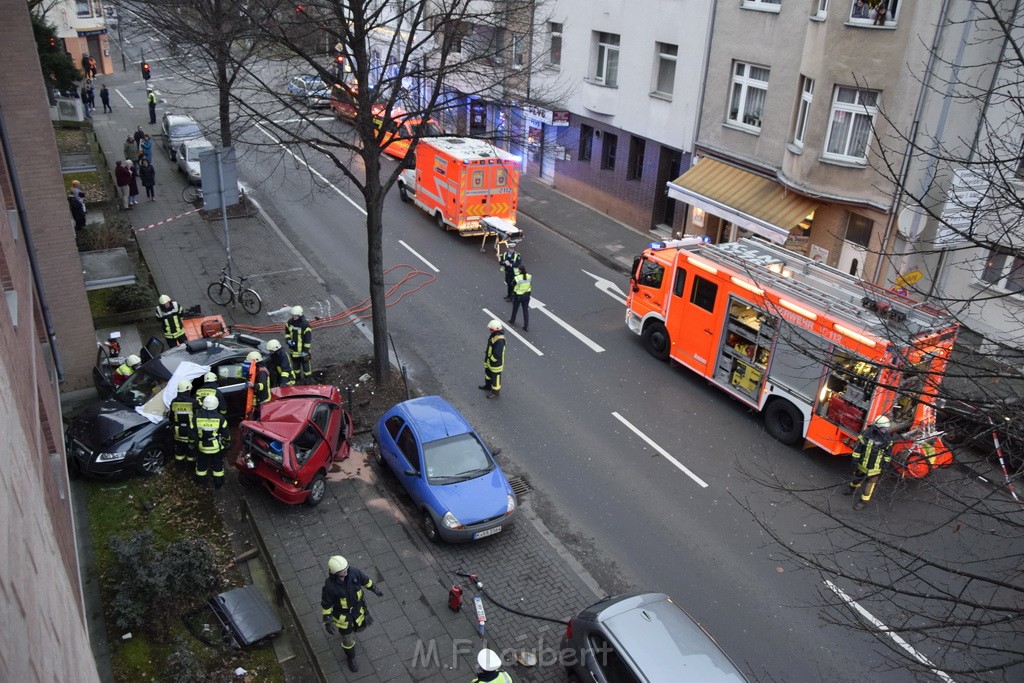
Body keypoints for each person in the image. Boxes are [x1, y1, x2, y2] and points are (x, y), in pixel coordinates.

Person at [320, 555, 383, 673]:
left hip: (358, 610)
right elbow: (326, 605)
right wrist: (327, 621)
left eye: (346, 568)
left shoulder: (353, 572)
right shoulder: (330, 587)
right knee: (347, 641)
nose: (345, 571)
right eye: (342, 571)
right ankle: (351, 658)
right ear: (335, 573)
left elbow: (365, 580)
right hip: (343, 617)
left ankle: (354, 629)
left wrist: (374, 588)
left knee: (360, 627)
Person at [846, 415, 894, 510]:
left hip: (875, 467)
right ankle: (852, 489)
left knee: (869, 486)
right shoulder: (867, 434)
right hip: (863, 463)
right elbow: (858, 447)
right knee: (857, 478)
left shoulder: (887, 439)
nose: (885, 430)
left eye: (886, 428)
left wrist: (886, 465)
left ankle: (863, 502)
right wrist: (855, 459)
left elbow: (888, 454)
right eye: (883, 428)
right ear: (877, 426)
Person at [194, 394, 229, 489]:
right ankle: (218, 483)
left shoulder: (196, 417)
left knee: (201, 464)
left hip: (202, 446)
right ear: (216, 405)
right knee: (217, 465)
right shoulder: (220, 418)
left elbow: (193, 432)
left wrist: (194, 443)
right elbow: (226, 434)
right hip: (215, 447)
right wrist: (227, 441)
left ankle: (200, 481)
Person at [170, 379, 197, 466]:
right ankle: (190, 467)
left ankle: (180, 466)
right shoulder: (193, 402)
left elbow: (171, 417)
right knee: (191, 451)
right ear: (188, 390)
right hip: (190, 431)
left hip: (178, 431)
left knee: (179, 449)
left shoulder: (174, 402)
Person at [285, 305, 312, 382]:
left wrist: (306, 351)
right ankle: (298, 378)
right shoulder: (289, 323)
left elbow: (308, 340)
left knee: (306, 366)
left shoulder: (305, 325)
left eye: (295, 315)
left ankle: (308, 379)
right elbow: (287, 333)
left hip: (303, 351)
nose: (293, 317)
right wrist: (288, 340)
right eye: (293, 315)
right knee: (295, 366)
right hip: (293, 351)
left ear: (300, 315)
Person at [480, 320, 505, 399]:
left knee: (495, 378)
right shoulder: (494, 335)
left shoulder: (500, 340)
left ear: (495, 330)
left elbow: (497, 354)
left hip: (495, 364)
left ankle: (495, 392)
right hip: (490, 361)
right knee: (488, 374)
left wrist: (491, 360)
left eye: (491, 329)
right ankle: (488, 386)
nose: (489, 330)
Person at [245, 350, 272, 420]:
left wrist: (253, 385)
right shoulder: (257, 369)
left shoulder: (261, 372)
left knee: (261, 415)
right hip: (259, 397)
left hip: (263, 398)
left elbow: (262, 386)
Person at [508, 265, 532, 332]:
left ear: (520, 270)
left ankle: (512, 320)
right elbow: (530, 284)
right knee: (525, 310)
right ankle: (526, 325)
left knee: (515, 309)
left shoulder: (517, 278)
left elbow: (512, 284)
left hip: (518, 295)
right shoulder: (529, 276)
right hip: (527, 295)